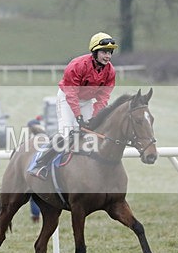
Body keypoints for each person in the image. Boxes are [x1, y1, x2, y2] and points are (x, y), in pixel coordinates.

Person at [30, 32, 117, 176]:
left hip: (86, 101)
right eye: (104, 52)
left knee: (91, 135)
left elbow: (103, 98)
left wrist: (95, 119)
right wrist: (78, 116)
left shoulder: (110, 72)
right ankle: (40, 164)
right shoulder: (77, 65)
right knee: (66, 136)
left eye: (110, 53)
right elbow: (71, 94)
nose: (107, 56)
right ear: (94, 52)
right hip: (67, 98)